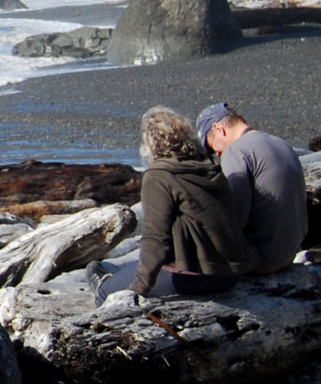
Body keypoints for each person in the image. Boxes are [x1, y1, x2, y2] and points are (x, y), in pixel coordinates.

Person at [98, 106, 258, 308]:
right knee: (127, 271)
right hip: (230, 273)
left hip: (194, 277)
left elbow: (156, 239)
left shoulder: (159, 176)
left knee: (106, 290)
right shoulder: (210, 168)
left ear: (150, 143)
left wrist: (137, 290)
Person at [195, 103, 308, 272]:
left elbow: (236, 216)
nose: (216, 154)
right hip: (290, 252)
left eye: (211, 147)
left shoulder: (236, 151)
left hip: (262, 260)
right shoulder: (281, 143)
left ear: (219, 129)